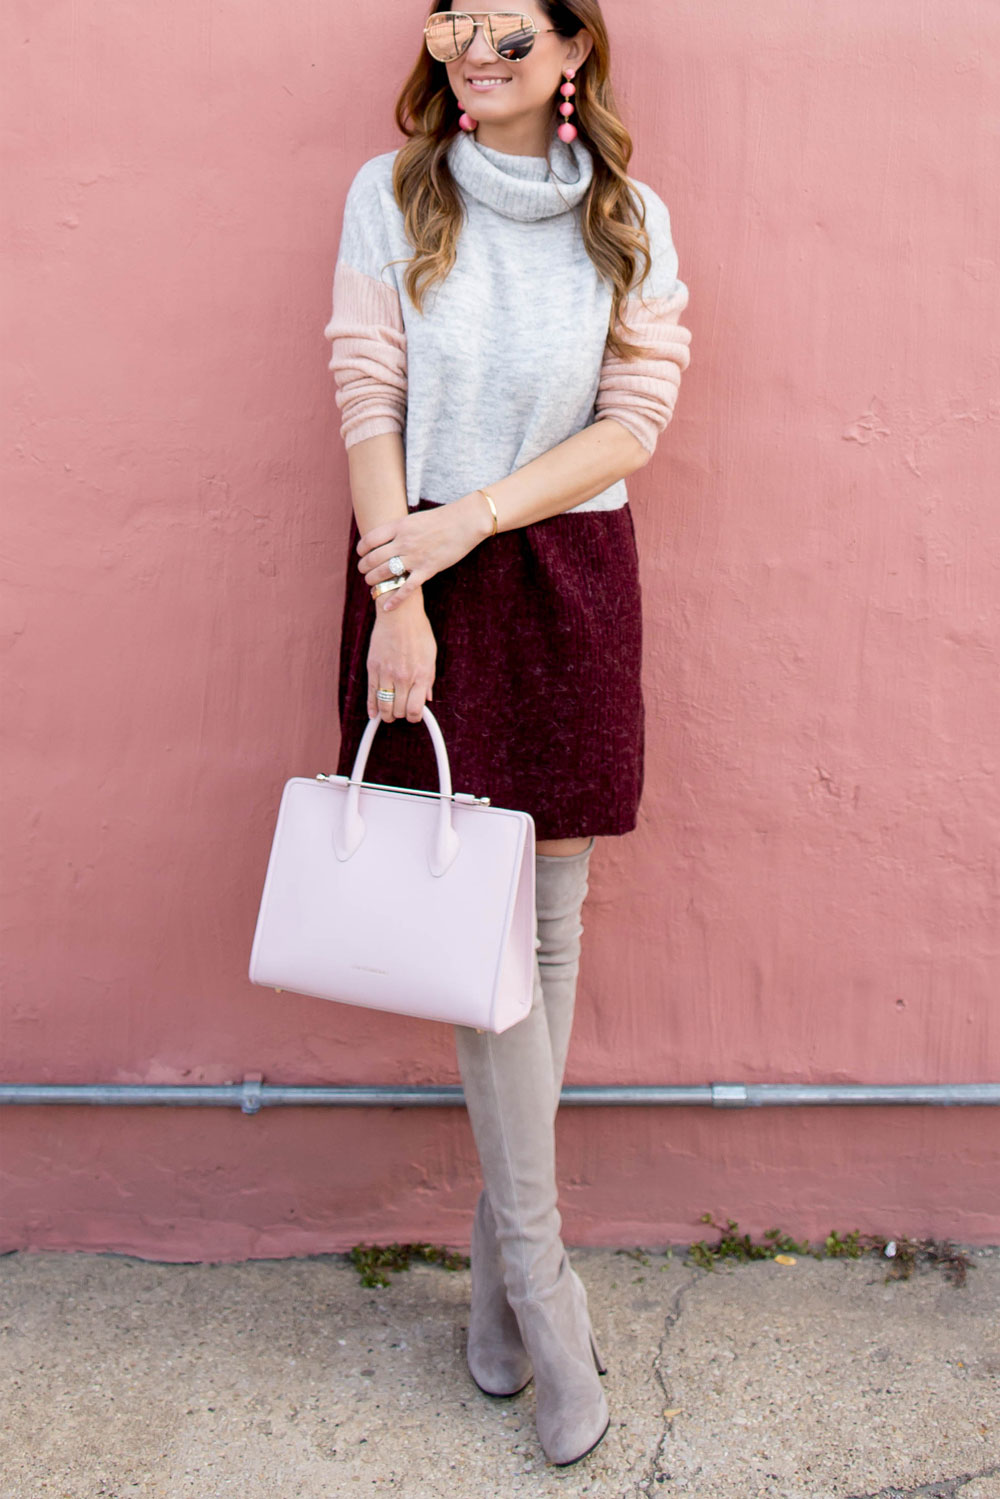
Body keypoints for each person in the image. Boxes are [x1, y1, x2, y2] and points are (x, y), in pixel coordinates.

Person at [323, 1, 691, 1468]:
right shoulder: (391, 189)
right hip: (415, 572)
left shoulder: (629, 214)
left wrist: (472, 517)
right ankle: (547, 1287)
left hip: (566, 571)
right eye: (455, 27)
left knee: (545, 929)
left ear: (573, 53)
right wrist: (400, 587)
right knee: (482, 948)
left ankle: (497, 1282)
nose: (474, 52)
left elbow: (635, 418)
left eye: (509, 32)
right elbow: (368, 396)